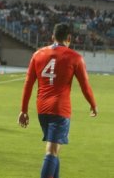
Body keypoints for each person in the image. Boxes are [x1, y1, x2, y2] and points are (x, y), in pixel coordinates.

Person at [18, 23, 98, 178]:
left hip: (42, 109)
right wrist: (93, 104)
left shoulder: (38, 54)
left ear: (52, 37)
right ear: (69, 38)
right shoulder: (75, 57)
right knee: (52, 151)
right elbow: (85, 86)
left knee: (55, 150)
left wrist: (24, 110)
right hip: (60, 110)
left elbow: (28, 84)